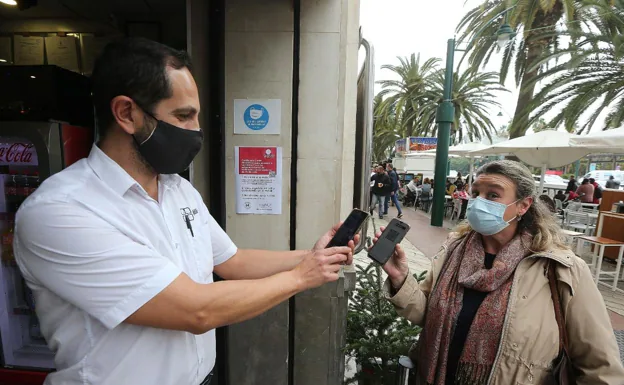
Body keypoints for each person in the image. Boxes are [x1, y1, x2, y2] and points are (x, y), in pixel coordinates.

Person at [12, 38, 355, 385]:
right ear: (126, 113)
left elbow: (232, 261)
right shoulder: (62, 212)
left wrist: (314, 256)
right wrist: (301, 277)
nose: (196, 131)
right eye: (183, 116)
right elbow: (197, 309)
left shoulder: (178, 190)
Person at [378, 160, 624, 385]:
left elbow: (600, 367)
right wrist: (401, 278)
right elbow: (429, 314)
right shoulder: (453, 252)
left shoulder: (559, 268)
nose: (478, 202)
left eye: (493, 195)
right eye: (476, 193)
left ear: (523, 205)